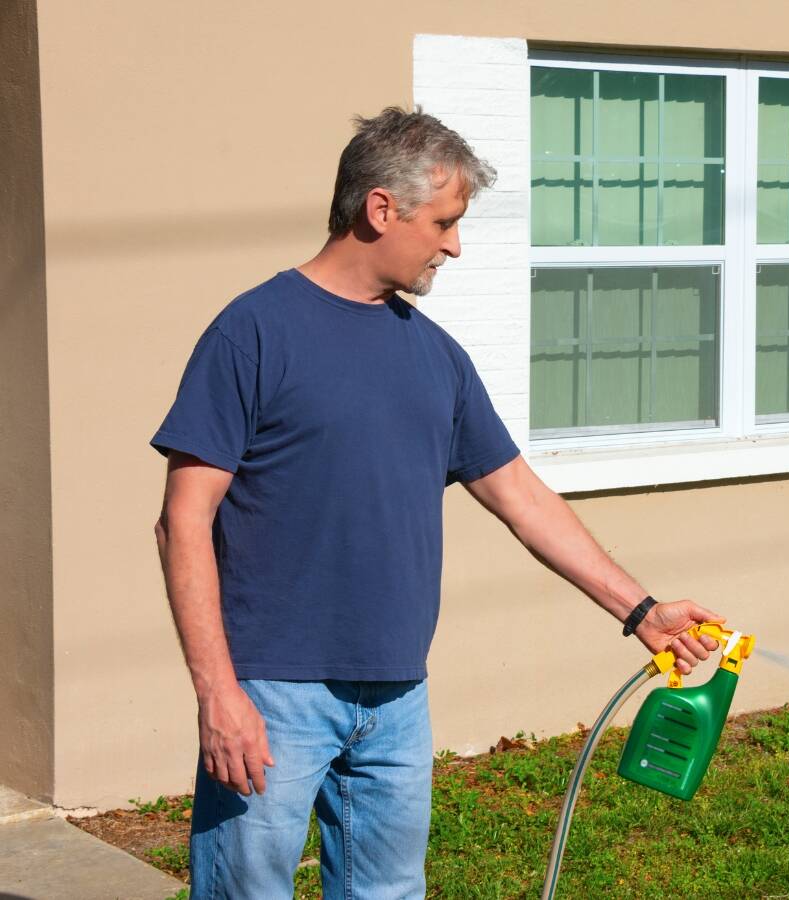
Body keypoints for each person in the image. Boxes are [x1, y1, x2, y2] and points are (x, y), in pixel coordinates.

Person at [151, 107, 724, 900]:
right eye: (445, 222)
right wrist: (219, 693)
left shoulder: (433, 355)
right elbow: (183, 520)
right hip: (271, 694)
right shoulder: (254, 333)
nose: (454, 244)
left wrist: (641, 610)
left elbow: (520, 496)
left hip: (396, 694)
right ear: (380, 209)